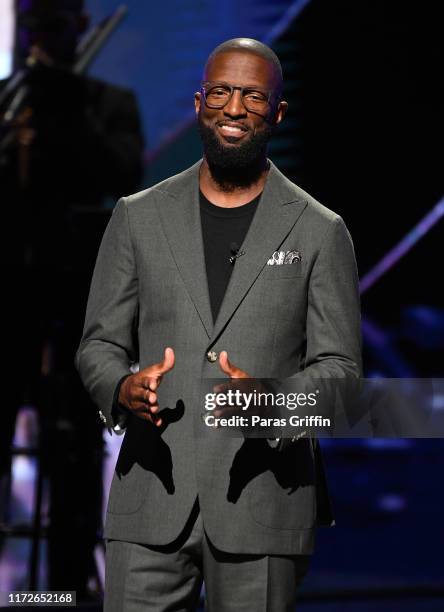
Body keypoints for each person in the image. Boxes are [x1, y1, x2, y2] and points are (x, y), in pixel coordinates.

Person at [76, 38, 361, 611]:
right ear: (199, 100)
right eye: (222, 93)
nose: (234, 109)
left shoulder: (319, 231)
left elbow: (343, 377)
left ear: (277, 112)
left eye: (253, 97)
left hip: (264, 503)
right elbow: (99, 344)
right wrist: (122, 387)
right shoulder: (138, 216)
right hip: (151, 495)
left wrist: (274, 404)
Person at [0, 0, 144, 598]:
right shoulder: (6, 100)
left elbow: (123, 178)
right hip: (8, 297)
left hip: (75, 301)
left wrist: (64, 118)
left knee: (75, 450)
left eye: (55, 20)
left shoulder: (106, 104)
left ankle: (65, 588)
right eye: (34, 21)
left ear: (80, 25)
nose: (43, 34)